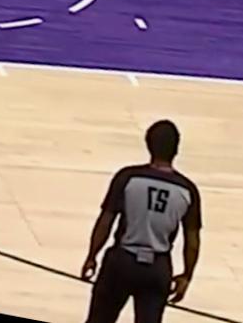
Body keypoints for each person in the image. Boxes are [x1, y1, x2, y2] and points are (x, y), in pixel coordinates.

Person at [80, 119, 202, 323]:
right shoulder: (187, 190)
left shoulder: (128, 177)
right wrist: (187, 275)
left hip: (121, 261)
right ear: (176, 149)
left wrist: (92, 256)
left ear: (148, 145)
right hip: (157, 268)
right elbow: (192, 241)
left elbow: (106, 221)